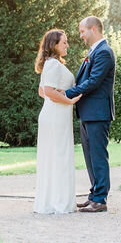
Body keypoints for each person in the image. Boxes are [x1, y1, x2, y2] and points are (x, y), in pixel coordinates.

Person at [63, 16, 116, 213]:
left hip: (98, 114)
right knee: (90, 157)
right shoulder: (94, 52)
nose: (81, 35)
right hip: (88, 113)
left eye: (82, 31)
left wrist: (67, 93)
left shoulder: (104, 52)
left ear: (93, 29)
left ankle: (100, 199)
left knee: (98, 157)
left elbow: (93, 81)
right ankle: (94, 195)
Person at [33, 29, 81, 214]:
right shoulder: (52, 65)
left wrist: (58, 93)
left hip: (54, 115)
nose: (67, 45)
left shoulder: (51, 64)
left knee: (55, 156)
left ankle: (52, 201)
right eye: (64, 42)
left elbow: (43, 91)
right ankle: (59, 203)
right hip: (55, 117)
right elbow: (47, 91)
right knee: (59, 156)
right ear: (54, 45)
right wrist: (69, 100)